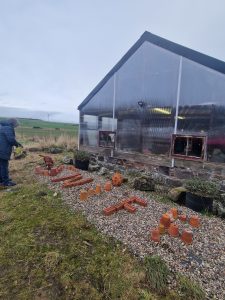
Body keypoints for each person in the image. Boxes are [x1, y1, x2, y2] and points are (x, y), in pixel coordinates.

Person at [0, 118, 22, 186]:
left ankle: (2, 179)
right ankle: (6, 182)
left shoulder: (3, 127)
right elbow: (11, 140)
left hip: (1, 149)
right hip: (2, 150)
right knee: (4, 166)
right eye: (15, 126)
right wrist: (18, 145)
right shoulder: (8, 128)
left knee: (1, 165)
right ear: (13, 123)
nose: (15, 127)